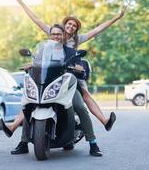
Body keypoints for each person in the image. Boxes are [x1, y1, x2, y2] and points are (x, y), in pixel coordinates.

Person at [13, 0, 126, 130]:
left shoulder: (78, 39)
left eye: (74, 26)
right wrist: (21, 3)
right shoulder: (54, 32)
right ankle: (14, 126)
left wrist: (117, 17)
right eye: (69, 24)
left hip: (70, 72)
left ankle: (104, 120)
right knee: (33, 96)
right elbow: (36, 20)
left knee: (84, 92)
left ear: (76, 30)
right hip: (51, 72)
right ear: (64, 24)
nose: (71, 26)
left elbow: (98, 29)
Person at [8, 24, 102, 156]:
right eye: (53, 34)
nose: (56, 37)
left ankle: (93, 143)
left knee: (80, 107)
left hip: (66, 85)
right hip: (46, 85)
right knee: (30, 106)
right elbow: (37, 65)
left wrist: (79, 69)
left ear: (63, 35)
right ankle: (23, 143)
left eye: (59, 34)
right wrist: (31, 67)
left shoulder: (70, 51)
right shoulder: (43, 51)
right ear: (49, 36)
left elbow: (80, 69)